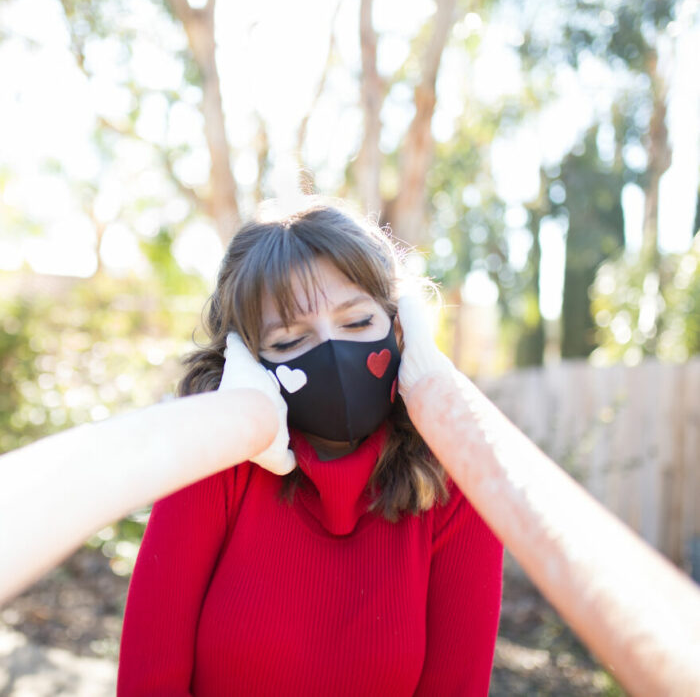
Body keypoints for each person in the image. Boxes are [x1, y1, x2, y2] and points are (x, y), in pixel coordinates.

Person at [116, 200, 504, 696]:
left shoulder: (455, 481)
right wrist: (232, 422)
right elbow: (149, 683)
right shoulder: (214, 465)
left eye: (358, 323)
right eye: (289, 339)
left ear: (401, 326)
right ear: (248, 360)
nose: (332, 352)